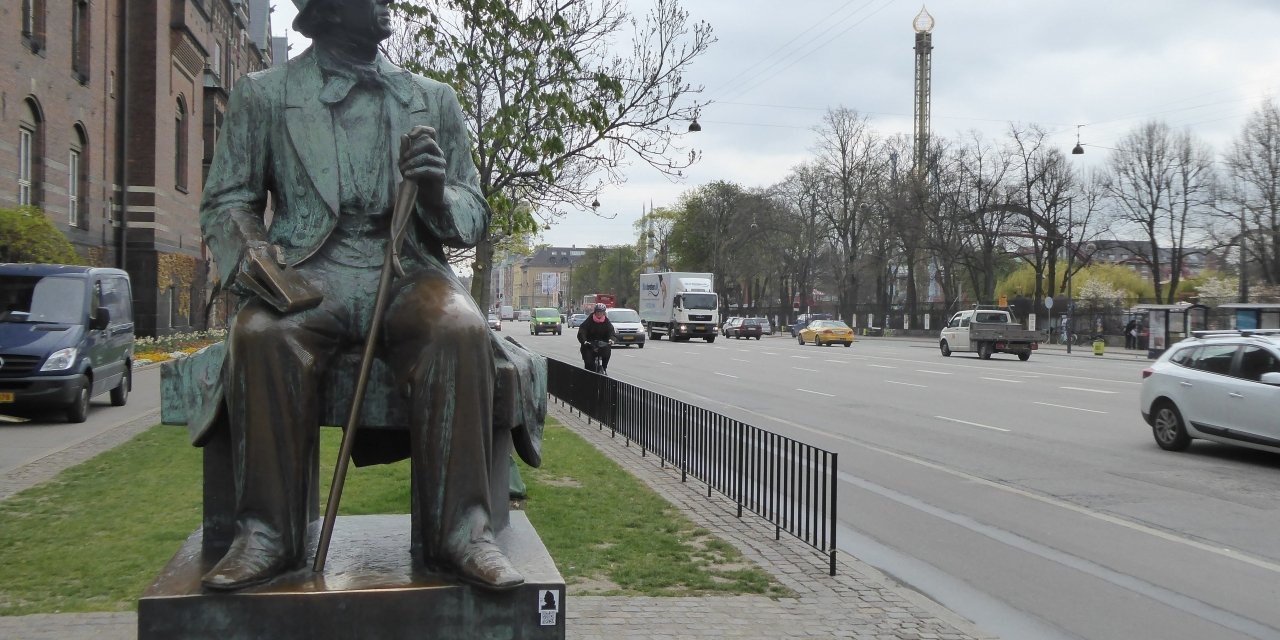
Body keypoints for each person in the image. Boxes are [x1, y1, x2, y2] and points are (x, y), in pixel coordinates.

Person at [197, 0, 521, 591]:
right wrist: (262, 263)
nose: (385, 4)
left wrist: (434, 195)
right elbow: (227, 202)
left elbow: (471, 211)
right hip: (308, 267)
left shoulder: (433, 98)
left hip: (407, 269)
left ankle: (463, 533)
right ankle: (267, 533)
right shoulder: (264, 94)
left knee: (459, 330)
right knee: (262, 335)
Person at [577, 303, 616, 373]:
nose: (599, 313)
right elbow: (582, 331)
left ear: (604, 313)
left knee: (607, 351)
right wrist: (584, 340)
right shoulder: (589, 321)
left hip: (602, 344)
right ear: (595, 312)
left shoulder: (606, 322)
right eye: (598, 311)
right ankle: (589, 375)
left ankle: (604, 368)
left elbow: (611, 332)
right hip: (590, 344)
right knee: (589, 363)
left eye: (601, 312)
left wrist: (611, 339)